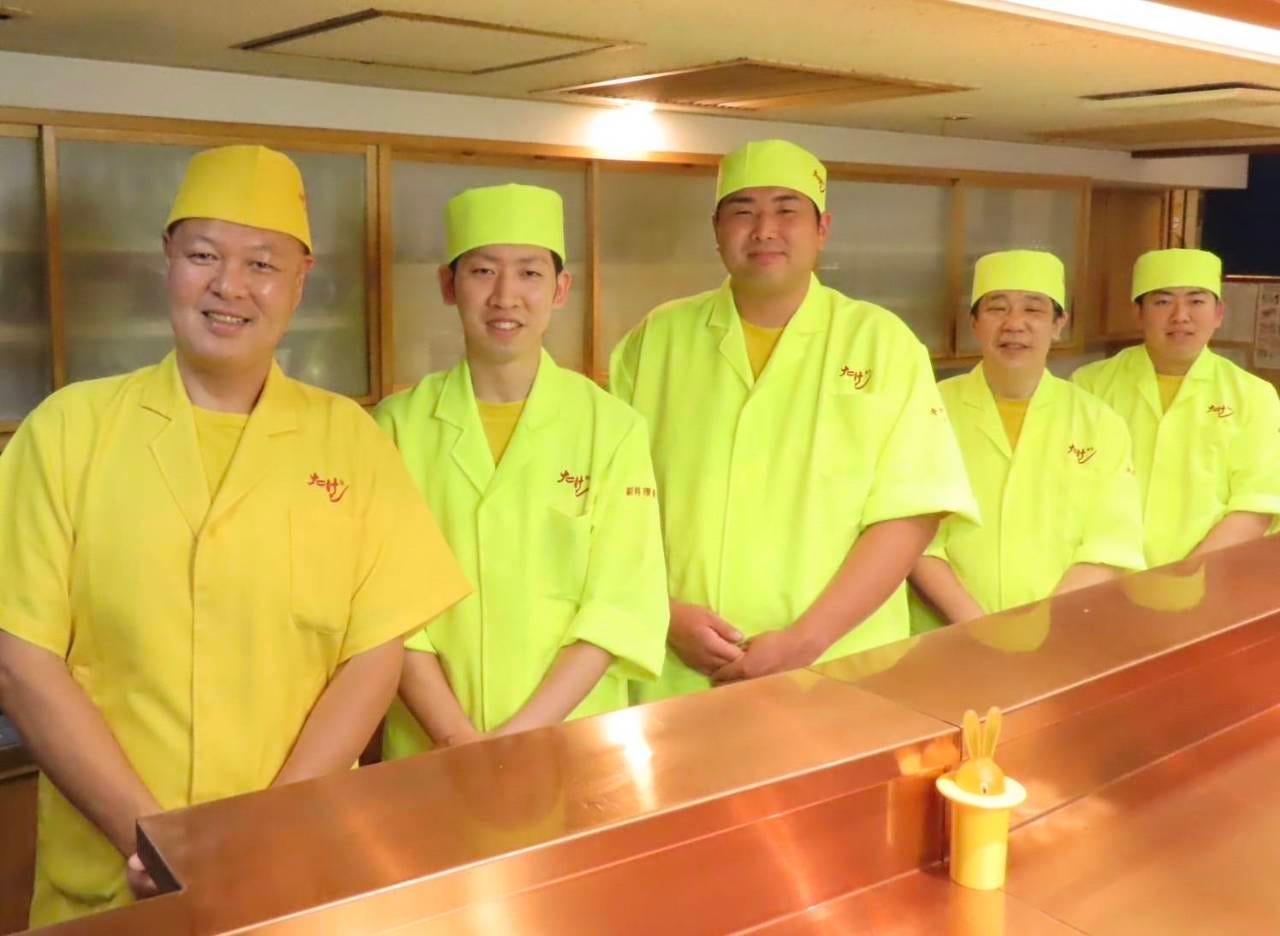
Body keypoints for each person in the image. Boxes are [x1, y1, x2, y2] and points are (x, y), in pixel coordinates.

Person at [0, 145, 468, 926]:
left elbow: (373, 655)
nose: (230, 285)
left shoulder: (350, 442)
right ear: (167, 260)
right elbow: (22, 661)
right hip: (109, 880)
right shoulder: (67, 431)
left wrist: (267, 834)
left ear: (301, 279)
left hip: (296, 864)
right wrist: (152, 841)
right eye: (204, 256)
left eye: (262, 263)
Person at [610, 139, 977, 701]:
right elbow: (614, 504)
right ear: (716, 229)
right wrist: (661, 612)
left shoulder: (881, 343)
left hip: (838, 664)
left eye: (786, 210)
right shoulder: (656, 339)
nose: (764, 230)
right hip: (677, 665)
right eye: (743, 211)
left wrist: (808, 638)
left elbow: (912, 510)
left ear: (822, 228)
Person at [375, 183, 668, 757]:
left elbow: (619, 603)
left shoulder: (612, 428)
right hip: (430, 745)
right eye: (483, 271)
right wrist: (457, 738)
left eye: (529, 273)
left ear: (561, 289)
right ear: (448, 285)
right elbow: (387, 606)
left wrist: (515, 739)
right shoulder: (396, 427)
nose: (505, 296)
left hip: (574, 738)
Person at [910, 250, 1145, 629]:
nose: (1014, 324)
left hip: (1063, 632)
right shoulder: (927, 409)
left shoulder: (1099, 422)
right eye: (997, 308)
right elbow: (912, 531)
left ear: (1059, 324)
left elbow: (1110, 541)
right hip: (946, 633)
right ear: (974, 323)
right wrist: (974, 624)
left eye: (1033, 310)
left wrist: (1041, 625)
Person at [1073, 248, 1280, 566]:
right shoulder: (1090, 386)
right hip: (1105, 575)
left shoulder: (1253, 396)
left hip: (1213, 577)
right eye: (1162, 302)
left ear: (1218, 313)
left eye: (1196, 301)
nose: (1180, 316)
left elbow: (1256, 505)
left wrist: (1183, 577)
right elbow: (1070, 493)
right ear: (1138, 313)